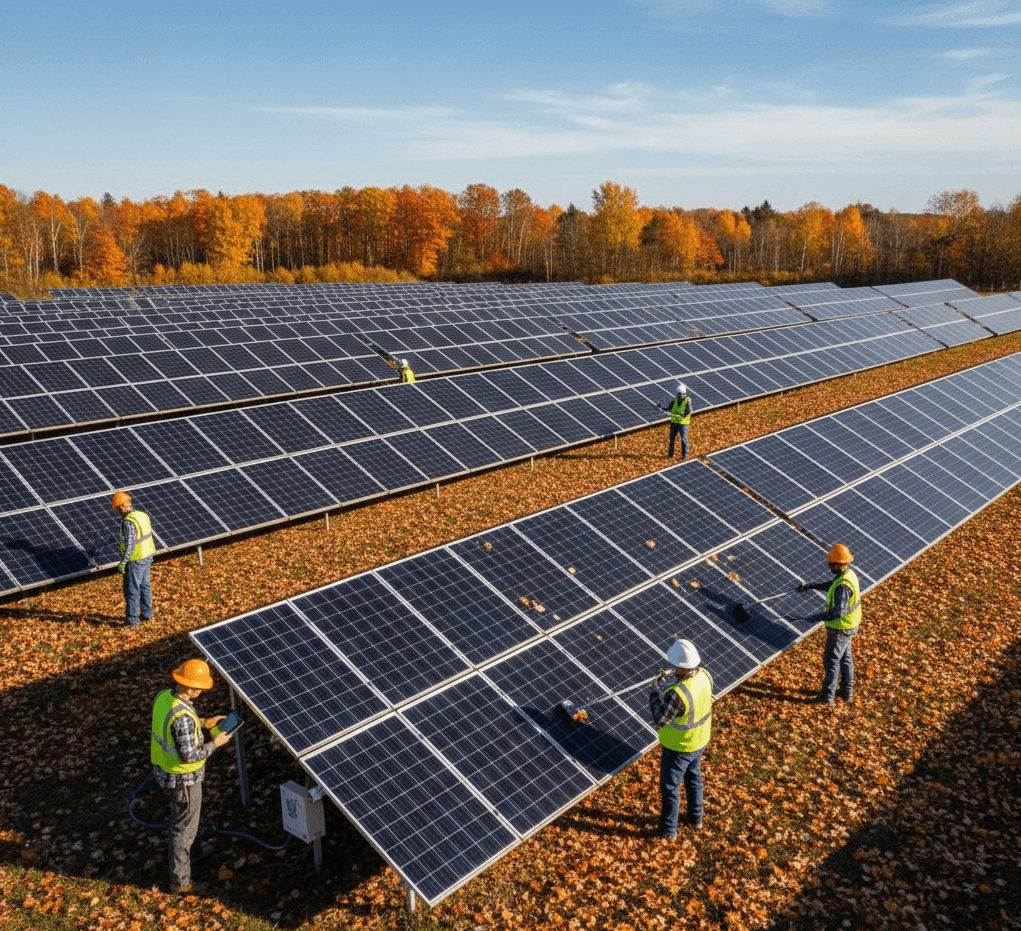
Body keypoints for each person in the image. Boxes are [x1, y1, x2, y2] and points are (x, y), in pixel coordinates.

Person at [150, 659, 232, 894]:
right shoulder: (183, 717)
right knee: (183, 830)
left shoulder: (164, 697)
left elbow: (174, 730)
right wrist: (215, 744)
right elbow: (190, 756)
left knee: (187, 822)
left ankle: (195, 852)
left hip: (166, 772)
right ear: (189, 686)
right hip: (183, 780)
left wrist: (205, 723)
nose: (201, 690)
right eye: (199, 686)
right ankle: (181, 882)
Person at [649, 639, 713, 838]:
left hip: (679, 747)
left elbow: (660, 720)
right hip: (699, 740)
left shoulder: (678, 694)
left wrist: (654, 693)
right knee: (694, 778)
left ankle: (668, 832)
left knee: (670, 788)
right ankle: (696, 818)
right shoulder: (705, 675)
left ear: (680, 666)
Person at [797, 543, 861, 704]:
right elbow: (832, 586)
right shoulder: (848, 574)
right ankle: (847, 692)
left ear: (838, 564)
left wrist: (816, 617)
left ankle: (827, 697)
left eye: (831, 565)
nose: (829, 567)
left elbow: (837, 612)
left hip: (840, 628)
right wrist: (812, 586)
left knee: (831, 660)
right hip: (850, 624)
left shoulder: (843, 587)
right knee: (845, 659)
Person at [112, 492, 155, 626]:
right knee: (145, 586)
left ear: (121, 507)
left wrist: (123, 562)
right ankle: (147, 614)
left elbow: (130, 544)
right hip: (148, 554)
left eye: (117, 508)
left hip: (136, 559)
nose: (118, 511)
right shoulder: (142, 515)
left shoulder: (129, 521)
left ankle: (132, 621)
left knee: (132, 590)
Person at [657, 381, 693, 459]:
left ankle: (685, 456)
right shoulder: (675, 401)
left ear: (684, 394)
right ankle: (670, 455)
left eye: (680, 394)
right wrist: (661, 407)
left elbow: (689, 411)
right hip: (674, 423)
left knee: (683, 439)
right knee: (672, 439)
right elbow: (668, 409)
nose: (679, 395)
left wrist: (683, 415)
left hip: (683, 424)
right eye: (678, 393)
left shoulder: (687, 401)